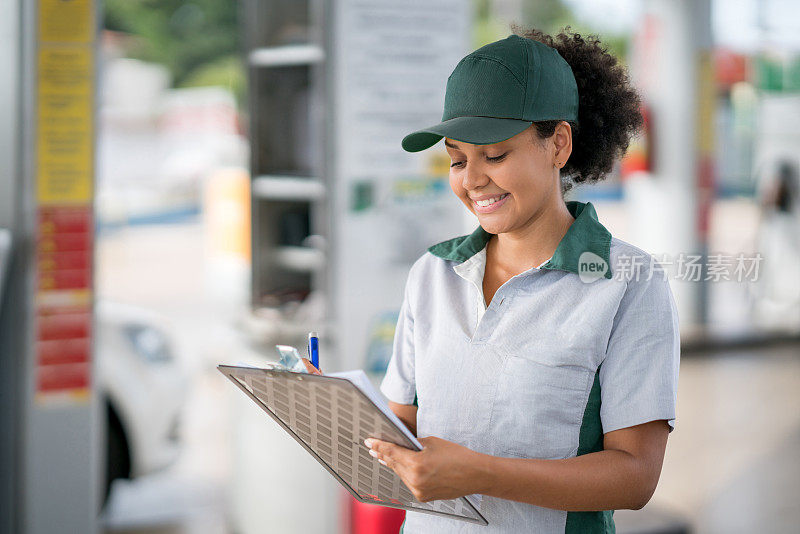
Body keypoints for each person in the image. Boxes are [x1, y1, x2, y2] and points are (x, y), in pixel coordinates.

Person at [363, 27, 681, 534]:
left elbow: (635, 476)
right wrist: (330, 410)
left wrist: (480, 473)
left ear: (558, 144)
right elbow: (400, 425)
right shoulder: (433, 275)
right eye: (457, 159)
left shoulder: (627, 283)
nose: (471, 180)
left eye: (495, 155)